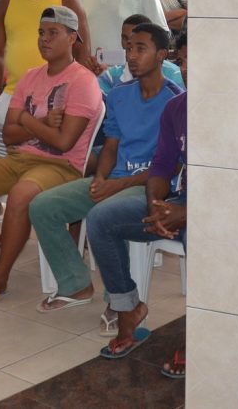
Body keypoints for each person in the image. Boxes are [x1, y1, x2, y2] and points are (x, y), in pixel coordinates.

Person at [0, 6, 103, 308]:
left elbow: (64, 143)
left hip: (61, 166)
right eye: (41, 32)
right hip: (18, 159)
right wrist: (36, 124)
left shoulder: (83, 81)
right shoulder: (29, 77)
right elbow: (10, 134)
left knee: (20, 194)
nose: (44, 39)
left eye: (53, 32)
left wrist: (25, 121)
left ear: (72, 37)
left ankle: (0, 274)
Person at [30, 23, 181, 323]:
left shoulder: (174, 101)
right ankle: (75, 283)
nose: (132, 56)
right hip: (115, 179)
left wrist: (116, 186)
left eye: (141, 49)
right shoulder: (120, 95)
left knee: (107, 213)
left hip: (152, 188)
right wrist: (101, 178)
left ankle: (120, 301)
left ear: (162, 54)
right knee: (42, 206)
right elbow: (111, 146)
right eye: (128, 49)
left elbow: (170, 167)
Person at [86, 30, 188, 370]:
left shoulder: (233, 110)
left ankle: (204, 333)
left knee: (210, 240)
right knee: (101, 219)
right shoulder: (177, 107)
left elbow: (232, 186)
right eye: (185, 61)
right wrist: (157, 204)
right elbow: (161, 164)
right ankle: (128, 308)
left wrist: (186, 212)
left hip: (211, 211)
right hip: (175, 200)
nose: (189, 69)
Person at [0, 0, 90, 157]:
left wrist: (71, 100)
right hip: (11, 98)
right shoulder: (5, 3)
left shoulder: (67, 2)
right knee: (4, 167)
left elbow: (83, 55)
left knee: (41, 169)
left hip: (54, 105)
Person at [98, 13, 184, 95]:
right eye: (125, 38)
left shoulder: (176, 77)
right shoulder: (109, 77)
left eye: (140, 47)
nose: (128, 45)